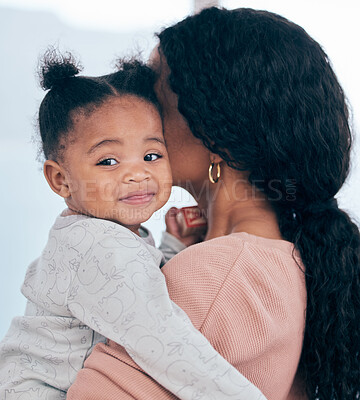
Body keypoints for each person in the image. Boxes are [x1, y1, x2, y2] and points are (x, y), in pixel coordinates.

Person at [67, 6, 360, 400]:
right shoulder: (271, 261)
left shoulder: (224, 274)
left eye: (153, 86)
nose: (136, 106)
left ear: (214, 132)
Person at [0, 50, 267, 400]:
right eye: (108, 160)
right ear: (61, 179)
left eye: (152, 155)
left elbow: (137, 289)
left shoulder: (93, 235)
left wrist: (171, 245)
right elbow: (166, 343)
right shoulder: (99, 247)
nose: (137, 173)